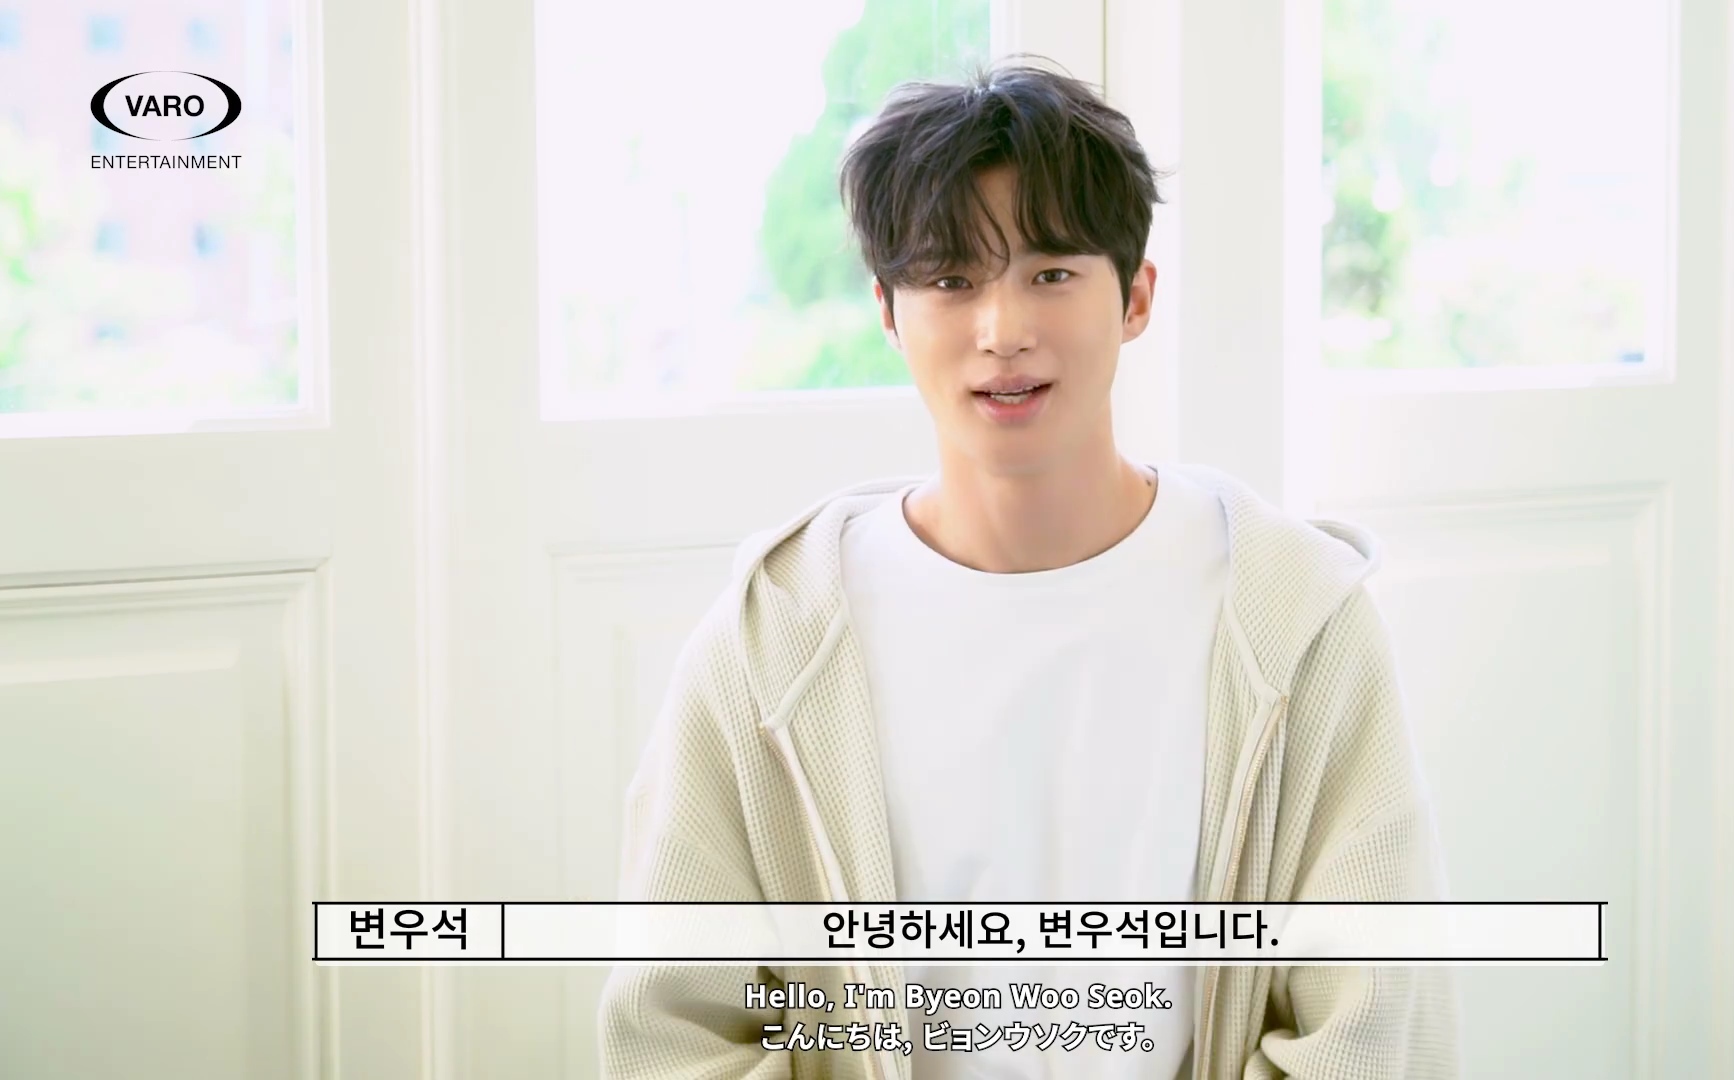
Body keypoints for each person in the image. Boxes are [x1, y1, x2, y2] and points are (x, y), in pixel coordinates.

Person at [599, 58, 1459, 1080]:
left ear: (1136, 296)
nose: (1002, 331)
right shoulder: (771, 644)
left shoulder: (1298, 621)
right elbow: (674, 1036)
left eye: (1050, 273)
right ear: (887, 311)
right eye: (950, 280)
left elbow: (1372, 1027)